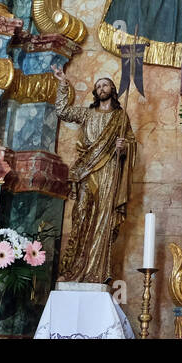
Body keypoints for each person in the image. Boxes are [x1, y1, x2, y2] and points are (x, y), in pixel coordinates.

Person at [56, 77, 136, 284]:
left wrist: (123, 147)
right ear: (95, 92)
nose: (101, 88)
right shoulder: (87, 113)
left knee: (104, 218)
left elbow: (131, 144)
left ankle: (97, 272)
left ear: (113, 90)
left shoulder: (120, 117)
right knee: (81, 215)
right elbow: (63, 111)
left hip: (109, 169)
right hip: (87, 170)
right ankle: (74, 268)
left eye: (105, 85)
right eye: (98, 86)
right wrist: (64, 85)